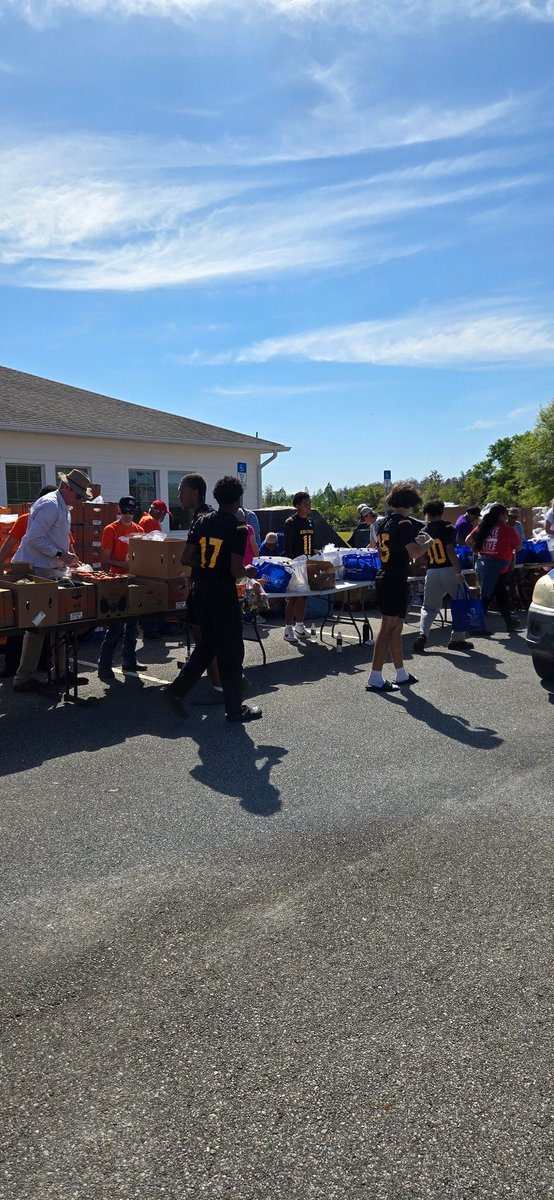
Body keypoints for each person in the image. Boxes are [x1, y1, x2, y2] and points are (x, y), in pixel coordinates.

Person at [164, 475, 262, 723]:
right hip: (222, 592)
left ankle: (176, 691)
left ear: (217, 498)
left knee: (207, 646)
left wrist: (209, 565)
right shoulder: (238, 527)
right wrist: (250, 571)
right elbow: (235, 569)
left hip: (200, 589)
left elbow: (186, 558)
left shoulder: (202, 521)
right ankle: (234, 709)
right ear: (238, 499)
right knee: (231, 649)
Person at [11, 469, 92, 694]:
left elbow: (56, 539)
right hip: (39, 570)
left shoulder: (62, 506)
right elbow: (35, 538)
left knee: (58, 622)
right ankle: (24, 677)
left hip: (50, 570)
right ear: (66, 488)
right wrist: (61, 555)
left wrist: (67, 557)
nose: (79, 500)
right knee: (38, 624)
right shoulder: (50, 505)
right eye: (77, 495)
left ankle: (59, 672)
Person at [366, 482, 432, 693]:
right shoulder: (403, 523)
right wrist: (428, 543)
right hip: (393, 578)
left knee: (397, 627)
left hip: (389, 575)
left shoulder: (383, 522)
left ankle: (400, 672)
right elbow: (414, 552)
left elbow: (379, 551)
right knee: (387, 627)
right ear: (411, 502)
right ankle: (375, 676)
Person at [412, 500, 473, 654]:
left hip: (432, 571)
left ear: (427, 514)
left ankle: (422, 634)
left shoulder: (423, 530)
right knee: (461, 603)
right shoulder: (447, 527)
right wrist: (458, 572)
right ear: (442, 511)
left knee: (429, 607)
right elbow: (450, 550)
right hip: (449, 569)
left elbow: (420, 557)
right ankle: (457, 639)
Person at [97, 497, 145, 680]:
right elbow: (105, 560)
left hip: (133, 579)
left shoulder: (139, 530)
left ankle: (129, 660)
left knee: (133, 624)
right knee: (115, 627)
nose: (127, 515)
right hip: (117, 580)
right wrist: (125, 565)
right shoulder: (111, 529)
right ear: (119, 510)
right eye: (124, 511)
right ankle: (104, 665)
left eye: (131, 512)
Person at [466, 503, 522, 632]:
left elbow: (468, 540)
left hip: (482, 563)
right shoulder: (508, 529)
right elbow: (519, 547)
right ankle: (475, 625)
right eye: (506, 515)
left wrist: (478, 549)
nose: (507, 518)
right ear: (502, 515)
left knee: (499, 593)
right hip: (498, 566)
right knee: (486, 595)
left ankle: (509, 622)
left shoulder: (484, 527)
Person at [283, 491, 314, 642]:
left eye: (309, 503)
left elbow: (312, 543)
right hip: (295, 563)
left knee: (303, 596)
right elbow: (287, 546)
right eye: (305, 504)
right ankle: (288, 629)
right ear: (297, 506)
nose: (309, 506)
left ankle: (300, 626)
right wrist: (290, 564)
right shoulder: (291, 522)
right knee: (293, 597)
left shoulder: (310, 521)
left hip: (307, 562)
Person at [0, 485, 57, 565]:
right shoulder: (24, 520)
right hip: (30, 566)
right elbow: (9, 543)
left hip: (51, 566)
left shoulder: (60, 520)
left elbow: (68, 546)